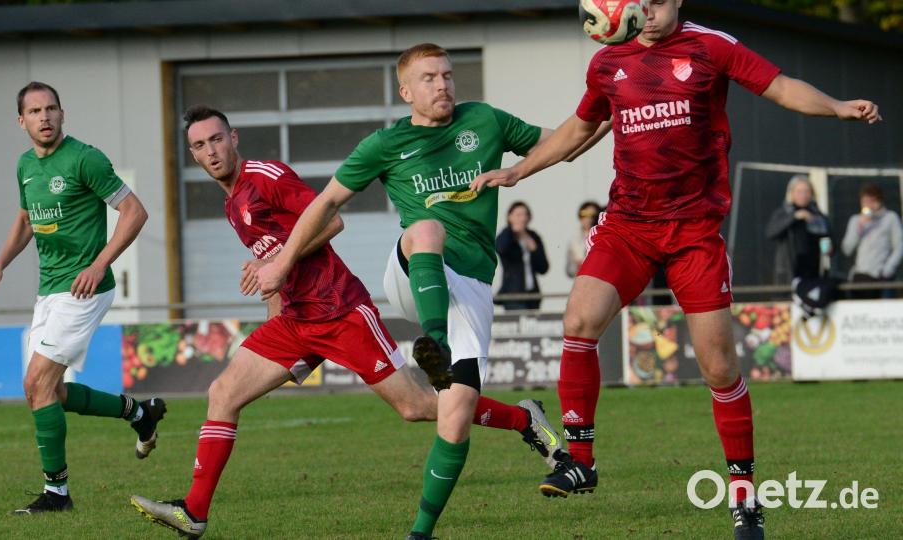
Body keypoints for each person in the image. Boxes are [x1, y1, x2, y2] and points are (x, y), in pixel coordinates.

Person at [470, 2, 881, 538]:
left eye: (661, 1)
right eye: (642, 1)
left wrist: (838, 106)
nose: (652, 11)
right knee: (578, 323)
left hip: (693, 233)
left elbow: (779, 86)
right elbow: (579, 127)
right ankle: (581, 461)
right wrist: (520, 170)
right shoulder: (607, 62)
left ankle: (744, 496)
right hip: (628, 227)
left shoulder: (711, 46)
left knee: (718, 369)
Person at [129, 106, 561, 539]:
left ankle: (524, 421)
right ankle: (194, 512)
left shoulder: (267, 176)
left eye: (217, 139)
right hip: (296, 320)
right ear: (193, 154)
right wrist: (271, 308)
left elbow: (331, 221)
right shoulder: (232, 200)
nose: (212, 151)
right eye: (200, 146)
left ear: (234, 138)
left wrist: (277, 261)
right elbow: (276, 262)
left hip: (339, 312)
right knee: (222, 393)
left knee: (416, 407)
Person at [254, 43, 607, 540]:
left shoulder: (485, 120)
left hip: (474, 285)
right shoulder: (385, 144)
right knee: (426, 228)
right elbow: (327, 201)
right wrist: (283, 261)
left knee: (456, 415)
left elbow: (566, 143)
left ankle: (420, 533)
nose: (441, 85)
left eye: (446, 75)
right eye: (428, 78)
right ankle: (435, 344)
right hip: (412, 274)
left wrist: (616, 106)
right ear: (406, 91)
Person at [0, 82, 160, 514]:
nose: (45, 117)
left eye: (52, 109)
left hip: (84, 289)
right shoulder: (25, 166)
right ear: (21, 120)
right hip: (50, 291)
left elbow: (135, 212)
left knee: (36, 385)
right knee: (50, 394)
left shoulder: (85, 158)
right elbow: (26, 219)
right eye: (35, 111)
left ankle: (57, 494)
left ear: (62, 114)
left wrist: (99, 263)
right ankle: (138, 413)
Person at [765, 175, 832, 285]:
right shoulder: (783, 213)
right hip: (789, 274)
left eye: (806, 191)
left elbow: (829, 240)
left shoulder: (819, 217)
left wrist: (830, 248)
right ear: (791, 193)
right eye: (799, 191)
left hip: (813, 274)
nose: (803, 195)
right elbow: (771, 232)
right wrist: (794, 217)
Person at [841, 183, 903, 299]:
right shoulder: (855, 220)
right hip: (860, 276)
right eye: (865, 201)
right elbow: (847, 249)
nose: (868, 205)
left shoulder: (890, 218)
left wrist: (887, 269)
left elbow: (899, 246)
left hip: (882, 277)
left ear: (880, 201)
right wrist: (859, 228)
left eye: (872, 201)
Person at [496, 201, 549, 310]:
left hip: (533, 295)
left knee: (532, 326)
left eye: (525, 214)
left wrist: (533, 247)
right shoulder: (506, 235)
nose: (522, 218)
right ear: (510, 217)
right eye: (518, 215)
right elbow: (500, 248)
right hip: (513, 295)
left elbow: (543, 268)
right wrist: (511, 230)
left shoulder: (533, 236)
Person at [566, 201, 602, 278]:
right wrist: (577, 266)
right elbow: (569, 271)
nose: (589, 218)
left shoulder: (604, 238)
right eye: (585, 214)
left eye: (593, 215)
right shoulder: (574, 241)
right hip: (582, 283)